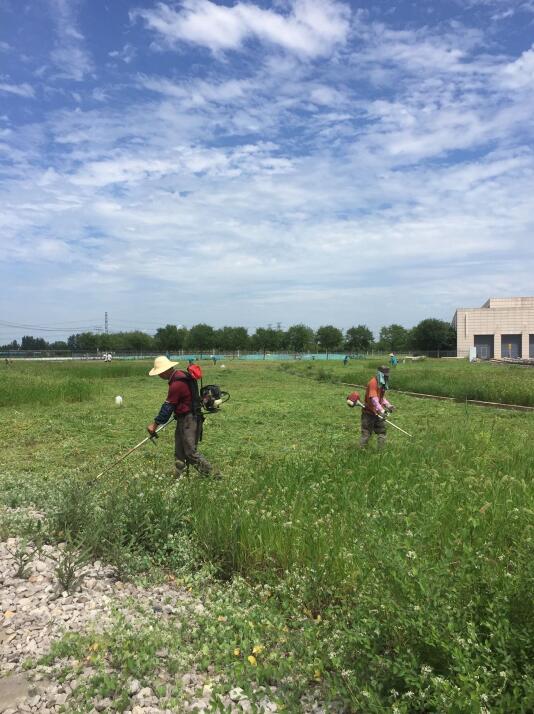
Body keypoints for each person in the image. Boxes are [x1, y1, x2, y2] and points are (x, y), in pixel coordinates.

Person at [147, 356, 218, 478]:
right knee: (179, 452)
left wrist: (154, 425)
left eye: (159, 373)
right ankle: (178, 478)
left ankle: (213, 475)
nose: (159, 376)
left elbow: (167, 407)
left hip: (189, 419)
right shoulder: (181, 375)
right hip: (183, 418)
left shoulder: (177, 383)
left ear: (165, 371)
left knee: (190, 452)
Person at [360, 365, 395, 449]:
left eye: (387, 375)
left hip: (378, 413)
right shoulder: (373, 383)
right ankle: (361, 450)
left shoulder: (381, 384)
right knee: (366, 433)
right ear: (380, 374)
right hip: (369, 412)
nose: (386, 377)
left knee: (382, 432)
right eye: (385, 375)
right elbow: (374, 399)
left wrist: (388, 405)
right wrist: (382, 410)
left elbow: (381, 398)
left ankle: (381, 451)